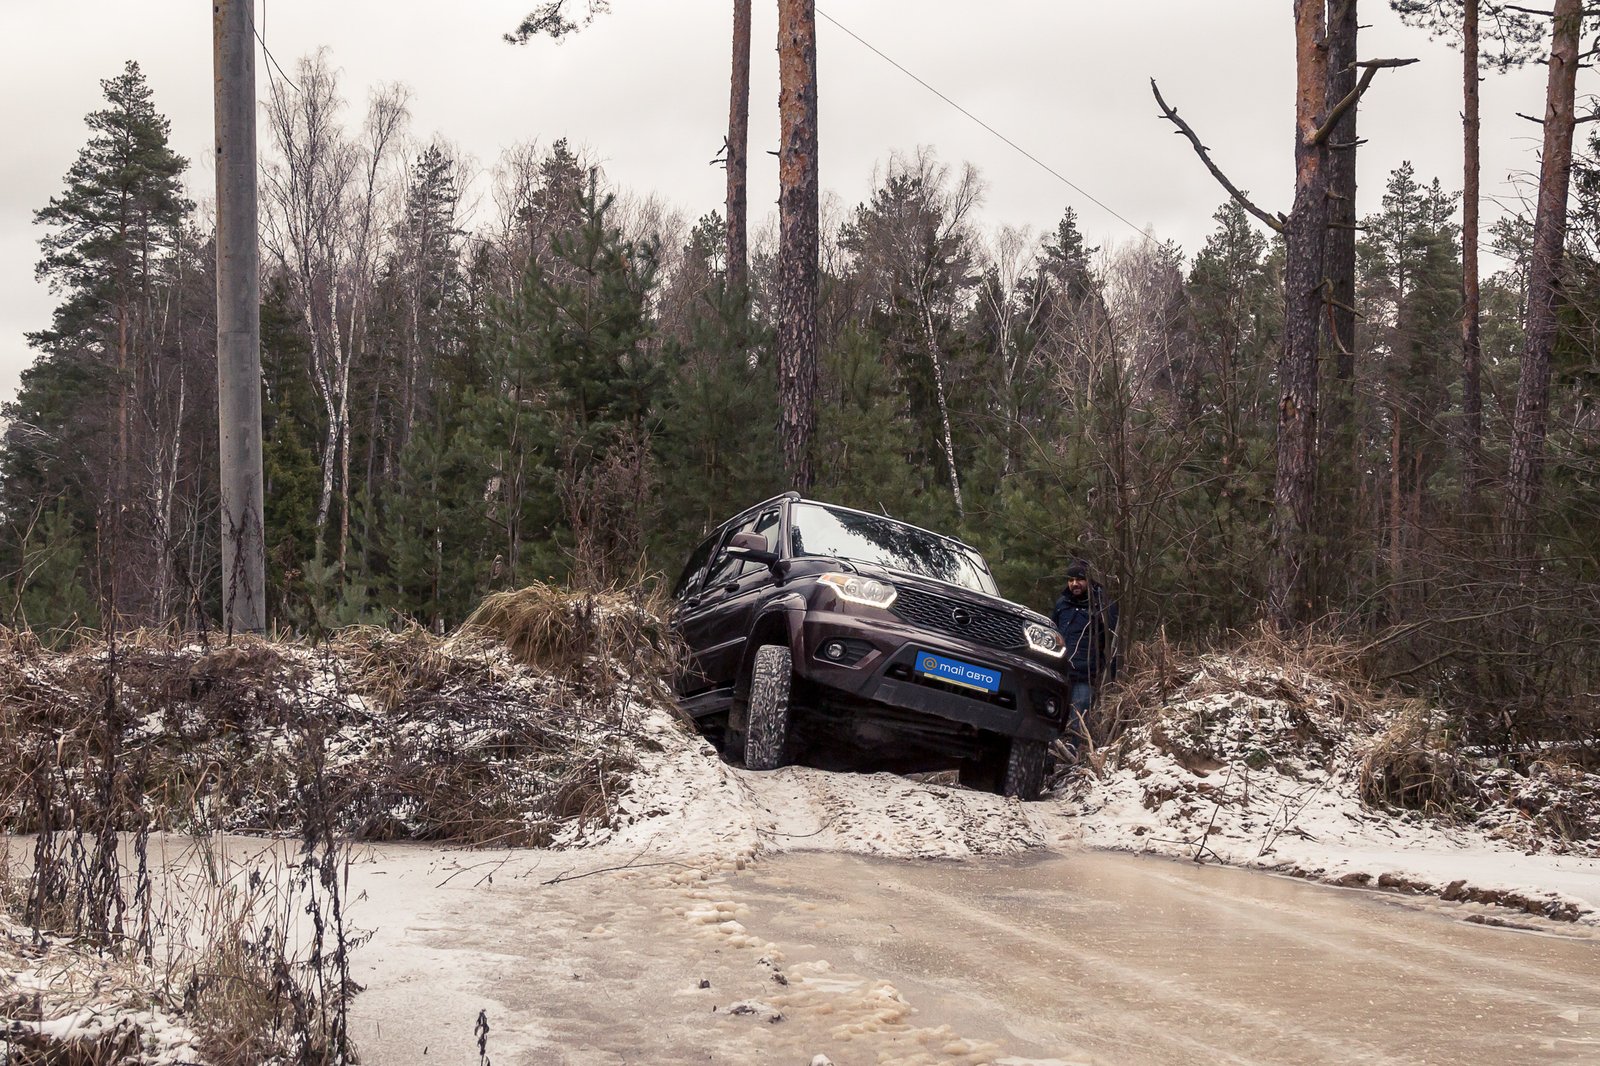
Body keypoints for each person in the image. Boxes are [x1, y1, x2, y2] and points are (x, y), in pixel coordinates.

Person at [1050, 559, 1118, 754]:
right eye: (1070, 579)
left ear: (1089, 580)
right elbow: (1052, 632)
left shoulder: (1102, 605)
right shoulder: (1062, 604)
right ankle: (1053, 750)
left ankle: (1073, 751)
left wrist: (1110, 673)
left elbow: (1111, 641)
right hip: (1060, 670)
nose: (1074, 584)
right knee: (1057, 711)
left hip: (1086, 673)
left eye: (1079, 579)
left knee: (1079, 713)